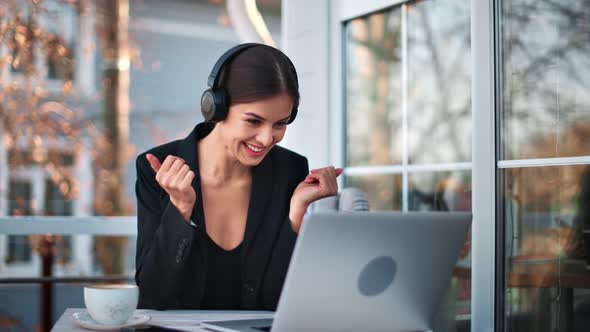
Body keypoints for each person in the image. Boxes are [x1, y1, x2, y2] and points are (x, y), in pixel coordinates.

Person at [134, 43, 342, 310]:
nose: (268, 139)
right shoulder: (158, 168)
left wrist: (297, 211)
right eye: (253, 121)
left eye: (280, 123)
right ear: (215, 108)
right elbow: (153, 296)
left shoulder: (290, 170)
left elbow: (277, 302)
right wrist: (180, 210)